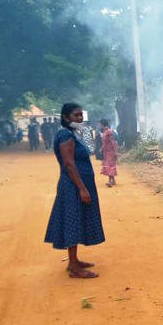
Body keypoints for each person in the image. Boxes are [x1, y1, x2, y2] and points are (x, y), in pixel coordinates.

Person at [44, 103, 105, 279]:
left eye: (81, 115)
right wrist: (82, 189)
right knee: (73, 221)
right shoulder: (65, 135)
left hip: (76, 184)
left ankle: (74, 261)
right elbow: (69, 164)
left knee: (76, 220)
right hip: (73, 186)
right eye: (76, 115)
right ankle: (74, 267)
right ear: (65, 117)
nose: (80, 118)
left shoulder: (72, 134)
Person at [99, 119, 118, 187]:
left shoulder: (109, 132)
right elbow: (105, 142)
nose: (99, 126)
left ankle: (110, 181)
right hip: (106, 152)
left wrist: (115, 151)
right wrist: (102, 148)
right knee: (110, 165)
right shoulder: (105, 132)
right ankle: (113, 181)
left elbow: (112, 142)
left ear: (102, 124)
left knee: (109, 166)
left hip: (111, 151)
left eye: (100, 124)